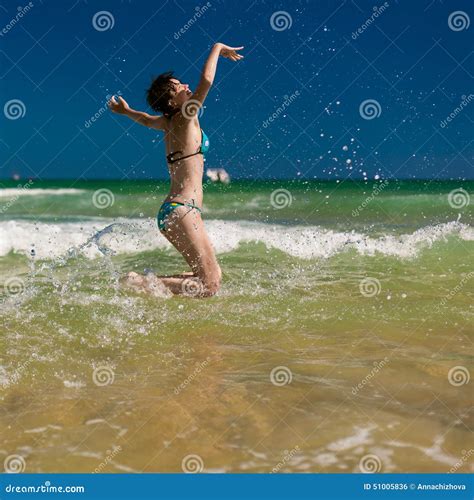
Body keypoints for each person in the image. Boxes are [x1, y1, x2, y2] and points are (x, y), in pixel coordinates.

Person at [108, 43, 244, 297]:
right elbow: (206, 81)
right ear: (171, 99)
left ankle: (149, 285)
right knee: (209, 285)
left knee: (205, 279)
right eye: (178, 85)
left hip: (172, 213)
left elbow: (146, 119)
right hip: (182, 211)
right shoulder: (185, 115)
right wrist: (217, 49)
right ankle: (135, 282)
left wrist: (126, 112)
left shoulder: (167, 123)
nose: (185, 85)